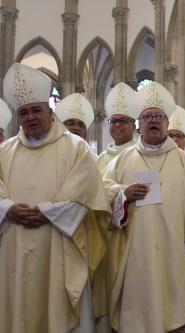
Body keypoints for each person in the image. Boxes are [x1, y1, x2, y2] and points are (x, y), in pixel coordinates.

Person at [0, 63, 110, 333]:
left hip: (59, 247)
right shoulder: (4, 151)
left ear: (50, 111)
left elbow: (84, 195)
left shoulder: (76, 148)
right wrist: (7, 208)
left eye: (36, 110)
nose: (30, 117)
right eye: (24, 112)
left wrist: (46, 212)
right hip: (14, 250)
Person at [103, 81, 185, 333]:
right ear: (139, 123)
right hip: (134, 255)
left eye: (158, 117)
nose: (153, 121)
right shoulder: (123, 160)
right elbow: (103, 197)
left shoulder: (184, 160)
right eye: (147, 117)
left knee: (173, 315)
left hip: (175, 254)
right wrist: (124, 195)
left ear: (167, 122)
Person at [96, 82, 138, 175]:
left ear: (134, 126)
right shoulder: (101, 158)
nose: (118, 124)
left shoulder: (141, 155)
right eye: (114, 121)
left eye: (123, 120)